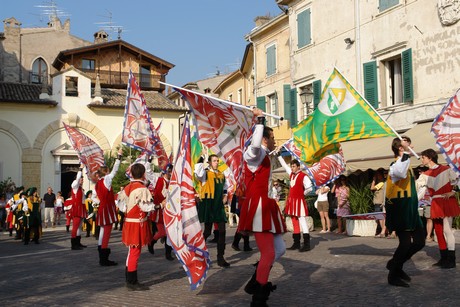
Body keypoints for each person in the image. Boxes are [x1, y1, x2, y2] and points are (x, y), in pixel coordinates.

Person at [238, 108, 286, 306]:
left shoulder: (265, 155)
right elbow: (255, 145)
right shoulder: (254, 153)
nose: (275, 141)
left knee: (280, 249)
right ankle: (258, 298)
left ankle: (255, 280)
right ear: (265, 139)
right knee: (269, 253)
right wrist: (258, 120)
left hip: (266, 205)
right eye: (273, 137)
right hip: (258, 206)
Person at [385, 136, 425, 287]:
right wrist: (406, 153)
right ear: (401, 148)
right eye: (408, 145)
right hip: (401, 210)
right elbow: (400, 173)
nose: (411, 146)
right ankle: (393, 274)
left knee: (420, 242)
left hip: (411, 210)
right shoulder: (395, 165)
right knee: (405, 244)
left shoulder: (406, 164)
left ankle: (395, 264)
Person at [418, 148, 460, 268]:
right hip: (436, 202)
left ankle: (451, 259)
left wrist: (453, 191)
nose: (422, 159)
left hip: (446, 200)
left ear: (430, 158)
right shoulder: (424, 175)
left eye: (423, 157)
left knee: (447, 230)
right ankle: (444, 258)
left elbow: (457, 181)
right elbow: (418, 191)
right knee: (438, 231)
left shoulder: (446, 169)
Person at [118, 163, 155, 291]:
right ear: (143, 174)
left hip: (128, 222)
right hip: (137, 223)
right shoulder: (142, 189)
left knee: (131, 251)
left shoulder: (127, 188)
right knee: (135, 251)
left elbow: (122, 207)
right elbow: (146, 207)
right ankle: (132, 282)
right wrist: (159, 205)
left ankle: (129, 278)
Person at [194, 154, 230, 267]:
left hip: (218, 205)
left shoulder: (221, 174)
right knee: (207, 232)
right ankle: (197, 253)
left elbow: (225, 187)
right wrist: (201, 159)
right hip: (209, 204)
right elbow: (198, 172)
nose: (216, 163)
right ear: (209, 162)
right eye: (214, 161)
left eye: (217, 161)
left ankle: (220, 257)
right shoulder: (204, 173)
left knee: (222, 231)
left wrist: (225, 196)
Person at [91, 149, 122, 266]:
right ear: (106, 172)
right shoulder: (106, 179)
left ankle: (101, 254)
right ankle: (104, 258)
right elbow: (115, 171)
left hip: (102, 207)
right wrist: (118, 157)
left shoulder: (98, 183)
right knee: (107, 231)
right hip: (107, 208)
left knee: (103, 231)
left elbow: (95, 198)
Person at [278, 157, 313, 252]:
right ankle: (296, 243)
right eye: (292, 166)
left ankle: (307, 244)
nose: (292, 168)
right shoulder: (292, 175)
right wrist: (279, 156)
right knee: (294, 220)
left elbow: (309, 187)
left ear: (298, 167)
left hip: (299, 201)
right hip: (292, 201)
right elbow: (285, 166)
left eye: (294, 166)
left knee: (302, 220)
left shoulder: (303, 176)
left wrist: (302, 194)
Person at [148, 164, 174, 261]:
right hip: (160, 210)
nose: (171, 174)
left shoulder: (171, 182)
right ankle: (152, 241)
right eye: (170, 172)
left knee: (169, 233)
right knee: (162, 232)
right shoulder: (159, 180)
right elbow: (159, 193)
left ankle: (168, 253)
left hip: (169, 210)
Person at [70, 164, 88, 250]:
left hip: (81, 208)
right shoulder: (75, 186)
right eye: (81, 179)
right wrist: (80, 169)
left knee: (79, 226)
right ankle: (73, 244)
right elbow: (77, 180)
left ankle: (78, 242)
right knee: (75, 226)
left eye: (83, 179)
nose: (82, 181)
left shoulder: (80, 189)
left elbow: (83, 200)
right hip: (76, 209)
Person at [371, 169, 387, 238]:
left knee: (380, 217)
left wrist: (373, 180)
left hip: (379, 202)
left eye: (378, 175)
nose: (377, 176)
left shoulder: (381, 183)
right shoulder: (381, 183)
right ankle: (383, 231)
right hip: (379, 202)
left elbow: (372, 188)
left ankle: (383, 231)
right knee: (380, 217)